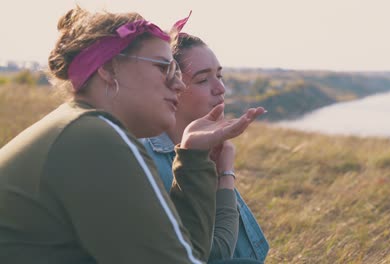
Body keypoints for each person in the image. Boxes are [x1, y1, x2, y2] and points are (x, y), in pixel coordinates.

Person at [0, 7, 265, 264]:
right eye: (164, 68)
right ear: (108, 69)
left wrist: (194, 156)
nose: (178, 83)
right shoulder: (95, 138)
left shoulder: (80, 126)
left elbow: (187, 253)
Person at [141, 33, 269, 263]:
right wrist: (225, 175)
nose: (220, 88)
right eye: (202, 80)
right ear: (170, 86)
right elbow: (211, 254)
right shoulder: (149, 162)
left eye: (219, 75)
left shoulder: (209, 151)